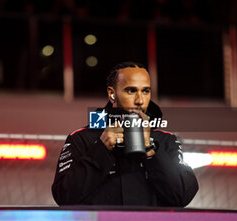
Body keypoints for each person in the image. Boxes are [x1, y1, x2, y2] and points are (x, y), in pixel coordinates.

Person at [52, 62, 198, 206]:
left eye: (145, 91)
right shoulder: (82, 138)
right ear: (112, 94)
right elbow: (63, 196)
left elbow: (182, 196)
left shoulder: (166, 140)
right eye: (131, 91)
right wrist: (101, 151)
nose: (140, 100)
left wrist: (151, 150)